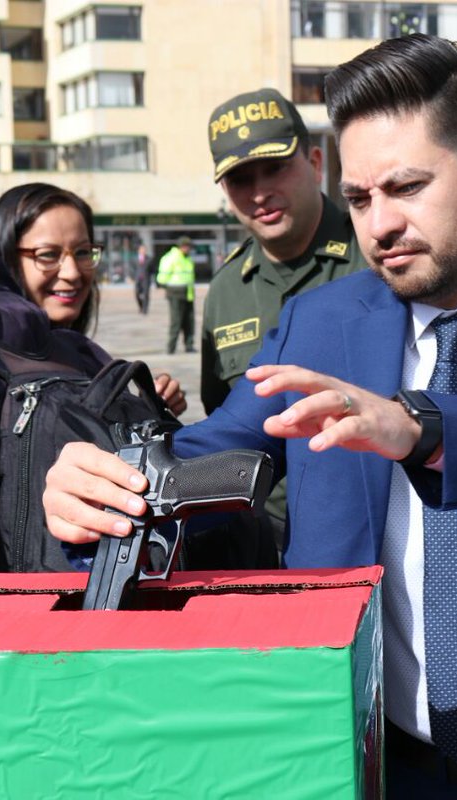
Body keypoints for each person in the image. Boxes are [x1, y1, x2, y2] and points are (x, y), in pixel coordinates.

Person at [44, 34, 457, 799]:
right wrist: (104, 490)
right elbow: (209, 451)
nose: (380, 225)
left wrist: (425, 429)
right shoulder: (319, 323)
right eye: (361, 199)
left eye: (406, 188)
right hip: (377, 755)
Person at [202, 87, 368, 552]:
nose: (259, 193)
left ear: (315, 162)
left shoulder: (375, 256)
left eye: (275, 167)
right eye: (239, 179)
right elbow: (223, 417)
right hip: (266, 538)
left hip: (370, 528)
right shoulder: (226, 289)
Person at [0, 183, 185, 414]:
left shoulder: (90, 360)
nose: (73, 272)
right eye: (48, 255)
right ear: (6, 258)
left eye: (82, 252)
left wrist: (147, 409)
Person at [157, 235, 195, 354]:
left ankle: (189, 345)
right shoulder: (171, 258)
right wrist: (168, 286)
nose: (188, 249)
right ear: (181, 246)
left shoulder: (187, 258)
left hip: (188, 292)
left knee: (189, 321)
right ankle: (171, 347)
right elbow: (162, 278)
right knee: (176, 321)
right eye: (186, 246)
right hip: (175, 292)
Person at [133, 241, 151, 314]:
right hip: (138, 279)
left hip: (146, 279)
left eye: (144, 249)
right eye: (141, 249)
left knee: (146, 294)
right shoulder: (135, 259)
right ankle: (141, 306)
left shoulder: (149, 259)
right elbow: (132, 269)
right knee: (137, 294)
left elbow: (152, 269)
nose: (143, 251)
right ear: (139, 250)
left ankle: (145, 310)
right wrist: (131, 277)